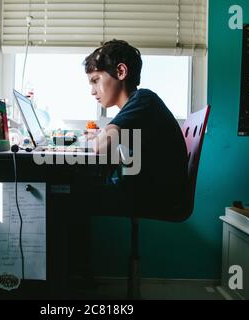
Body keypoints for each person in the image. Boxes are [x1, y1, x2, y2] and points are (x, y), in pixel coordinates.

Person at [67, 40, 188, 292]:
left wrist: (99, 139)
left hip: (157, 196)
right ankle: (76, 277)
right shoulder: (139, 108)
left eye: (96, 80)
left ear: (121, 73)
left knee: (66, 196)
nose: (92, 91)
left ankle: (69, 281)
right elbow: (121, 154)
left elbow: (102, 148)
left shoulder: (143, 100)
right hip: (151, 189)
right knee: (74, 190)